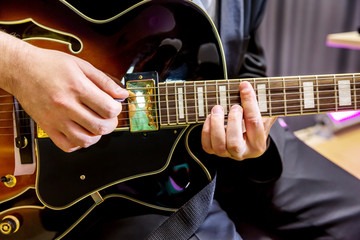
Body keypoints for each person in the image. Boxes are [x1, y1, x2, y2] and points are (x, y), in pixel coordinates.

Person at [0, 0, 360, 239]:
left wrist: (254, 139)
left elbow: (247, 65)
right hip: (117, 179)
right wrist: (17, 65)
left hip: (226, 147)